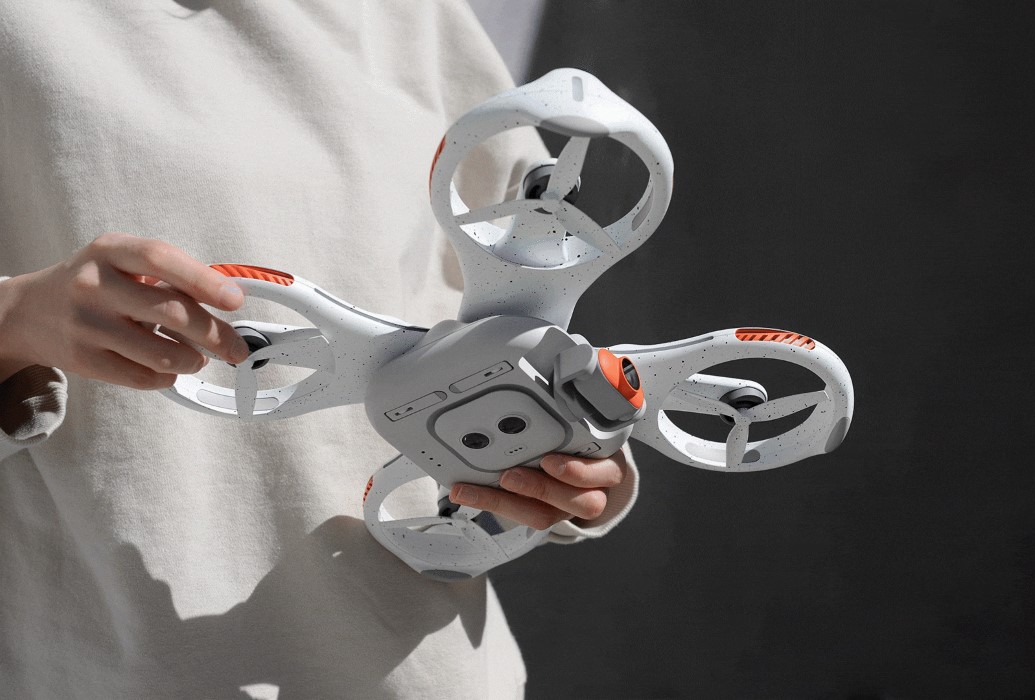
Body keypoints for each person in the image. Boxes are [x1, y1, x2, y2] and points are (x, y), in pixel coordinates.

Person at [0, 1, 637, 697]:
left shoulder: (412, 17)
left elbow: (519, 312)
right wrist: (18, 316)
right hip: (122, 667)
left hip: (419, 666)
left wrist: (572, 461)